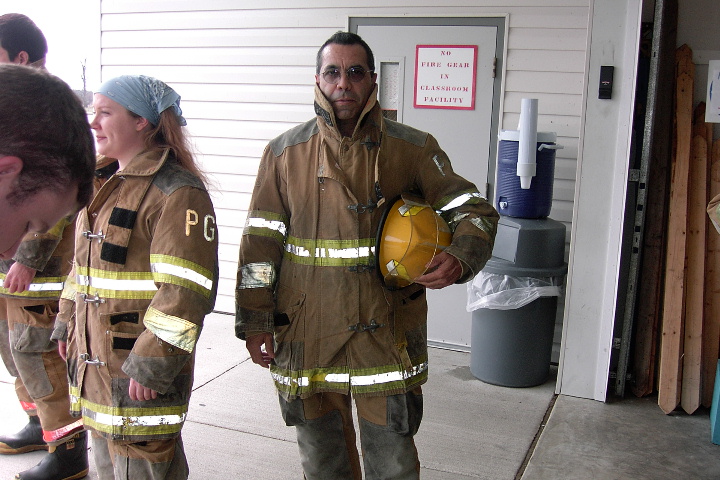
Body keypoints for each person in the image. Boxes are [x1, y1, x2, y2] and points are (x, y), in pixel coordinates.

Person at [235, 31, 499, 479]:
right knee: (323, 465)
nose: (344, 83)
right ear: (317, 79)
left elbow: (474, 211)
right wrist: (255, 320)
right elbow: (260, 247)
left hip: (386, 338)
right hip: (307, 337)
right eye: (333, 72)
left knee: (393, 466)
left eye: (355, 72)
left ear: (372, 80)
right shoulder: (284, 155)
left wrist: (460, 256)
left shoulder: (412, 148)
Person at [53, 75, 219, 480]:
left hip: (136, 373)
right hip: (98, 369)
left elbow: (186, 291)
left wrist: (151, 362)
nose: (93, 123)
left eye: (105, 113)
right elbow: (82, 270)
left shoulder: (177, 193)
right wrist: (65, 323)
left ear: (142, 121)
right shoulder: (103, 184)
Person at [0, 14, 95, 480]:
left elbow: (49, 203)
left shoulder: (50, 116)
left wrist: (25, 255)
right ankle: (40, 424)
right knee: (15, 350)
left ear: (20, 57)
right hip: (12, 276)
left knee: (37, 353)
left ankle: (68, 449)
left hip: (37, 275)